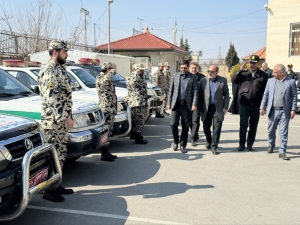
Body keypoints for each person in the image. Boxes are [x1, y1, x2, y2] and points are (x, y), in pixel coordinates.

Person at [38, 40, 74, 202]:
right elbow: (51, 97)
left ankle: (56, 184)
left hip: (60, 123)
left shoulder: (60, 69)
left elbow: (64, 96)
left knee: (60, 155)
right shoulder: (49, 70)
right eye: (64, 51)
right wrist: (64, 117)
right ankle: (48, 191)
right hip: (53, 123)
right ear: (55, 52)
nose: (67, 54)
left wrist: (68, 117)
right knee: (52, 157)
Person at [260, 64, 297, 160]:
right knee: (270, 130)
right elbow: (266, 95)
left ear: (282, 73)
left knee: (283, 132)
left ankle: (282, 151)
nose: (273, 73)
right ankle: (271, 145)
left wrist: (293, 109)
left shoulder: (291, 82)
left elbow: (294, 97)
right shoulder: (270, 81)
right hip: (273, 110)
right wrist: (262, 107)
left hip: (285, 111)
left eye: (275, 72)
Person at [231, 55, 268, 151]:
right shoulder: (243, 73)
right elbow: (233, 80)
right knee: (243, 125)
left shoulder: (263, 75)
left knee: (253, 126)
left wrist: (264, 106)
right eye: (251, 62)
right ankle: (241, 144)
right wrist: (240, 70)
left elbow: (266, 91)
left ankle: (250, 144)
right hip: (244, 104)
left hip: (256, 105)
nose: (252, 64)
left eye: (254, 63)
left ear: (258, 64)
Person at [167, 60, 198, 153]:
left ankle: (183, 145)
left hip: (186, 106)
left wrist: (194, 104)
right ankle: (176, 141)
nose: (183, 69)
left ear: (188, 67)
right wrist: (168, 103)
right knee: (173, 124)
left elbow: (195, 92)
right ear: (179, 68)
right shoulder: (175, 76)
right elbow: (171, 90)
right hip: (175, 105)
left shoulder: (193, 77)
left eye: (185, 68)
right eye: (181, 68)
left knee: (185, 126)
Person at [199, 65, 229, 155]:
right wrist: (199, 107)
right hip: (206, 108)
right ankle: (209, 140)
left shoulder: (223, 80)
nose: (210, 73)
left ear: (217, 72)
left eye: (212, 71)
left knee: (217, 129)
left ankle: (214, 146)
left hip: (218, 108)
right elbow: (199, 95)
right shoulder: (203, 81)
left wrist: (226, 106)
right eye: (208, 71)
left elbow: (226, 94)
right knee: (206, 127)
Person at [96, 62, 118, 162]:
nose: (114, 72)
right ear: (108, 69)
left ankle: (106, 151)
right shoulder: (100, 78)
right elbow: (105, 80)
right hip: (106, 109)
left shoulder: (106, 77)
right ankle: (104, 153)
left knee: (109, 131)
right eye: (112, 69)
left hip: (111, 108)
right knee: (105, 132)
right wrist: (111, 72)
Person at [126, 64, 148, 144]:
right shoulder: (132, 76)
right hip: (137, 102)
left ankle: (134, 135)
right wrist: (136, 73)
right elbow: (133, 83)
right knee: (140, 120)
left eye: (143, 70)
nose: (142, 71)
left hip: (141, 101)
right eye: (141, 70)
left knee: (138, 120)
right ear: (135, 69)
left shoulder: (140, 77)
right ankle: (138, 138)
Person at [188, 61, 205, 146]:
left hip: (198, 103)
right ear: (189, 68)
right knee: (189, 121)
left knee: (195, 121)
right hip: (187, 103)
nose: (194, 69)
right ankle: (195, 134)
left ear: (198, 68)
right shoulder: (186, 76)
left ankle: (192, 138)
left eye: (195, 68)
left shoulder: (202, 78)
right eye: (192, 68)